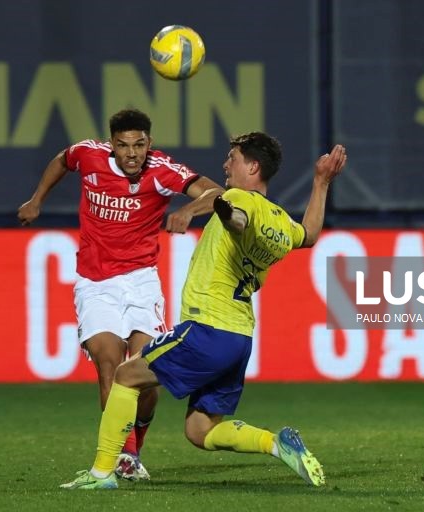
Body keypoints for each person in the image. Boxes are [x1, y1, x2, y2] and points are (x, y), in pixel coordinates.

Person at [60, 132, 347, 490]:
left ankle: (101, 474)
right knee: (200, 430)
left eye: (234, 157)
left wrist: (195, 211)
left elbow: (236, 216)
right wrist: (321, 182)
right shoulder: (280, 221)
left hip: (208, 328)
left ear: (253, 166)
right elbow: (310, 234)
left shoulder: (239, 199)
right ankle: (275, 443)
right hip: (239, 338)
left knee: (124, 377)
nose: (226, 164)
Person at [18, 109, 222, 481]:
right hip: (95, 284)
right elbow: (62, 160)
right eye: (124, 145)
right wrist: (37, 200)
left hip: (142, 283)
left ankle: (135, 444)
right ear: (111, 144)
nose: (132, 154)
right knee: (109, 365)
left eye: (139, 145)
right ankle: (120, 458)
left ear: (149, 144)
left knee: (145, 373)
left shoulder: (163, 171)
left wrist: (190, 209)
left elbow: (217, 192)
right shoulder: (88, 154)